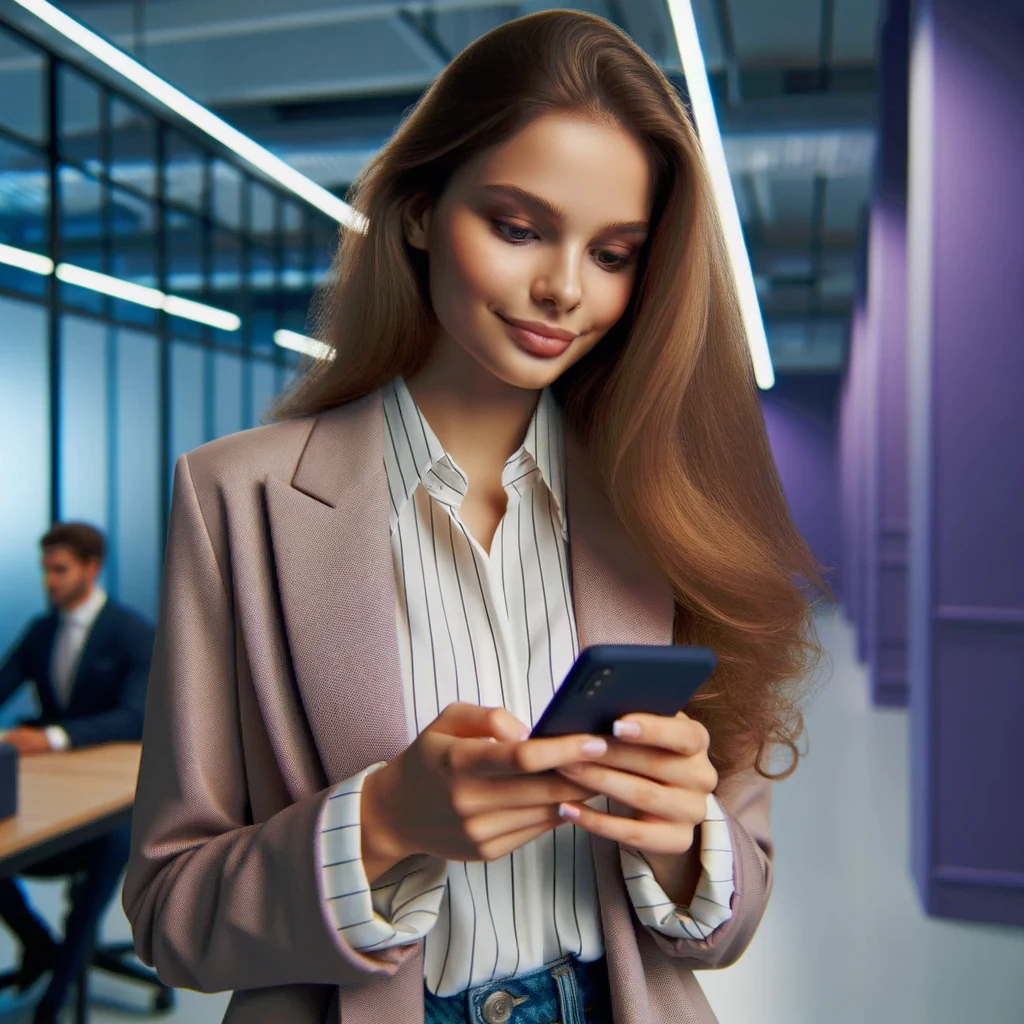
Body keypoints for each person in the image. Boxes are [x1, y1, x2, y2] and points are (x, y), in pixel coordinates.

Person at [123, 11, 824, 1024]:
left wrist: (683, 844)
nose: (563, 289)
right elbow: (169, 913)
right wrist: (380, 823)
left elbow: (729, 915)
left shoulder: (670, 511)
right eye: (516, 225)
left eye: (615, 252)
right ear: (417, 212)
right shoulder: (237, 501)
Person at [0, 522, 154, 1024]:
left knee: (112, 842)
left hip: (115, 800)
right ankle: (40, 945)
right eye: (45, 570)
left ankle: (60, 986)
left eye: (60, 570)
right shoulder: (42, 630)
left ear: (91, 568)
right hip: (52, 791)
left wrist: (49, 738)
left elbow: (134, 717)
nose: (49, 581)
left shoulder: (132, 634)